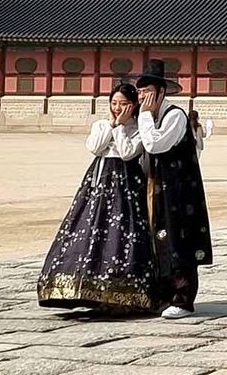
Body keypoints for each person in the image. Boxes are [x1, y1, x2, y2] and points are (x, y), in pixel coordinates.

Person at [37, 83, 158, 313]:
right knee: (89, 228)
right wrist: (112, 125)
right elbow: (94, 147)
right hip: (98, 183)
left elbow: (127, 152)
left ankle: (123, 293)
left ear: (133, 105)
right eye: (114, 103)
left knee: (123, 233)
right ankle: (85, 288)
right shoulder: (101, 124)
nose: (118, 108)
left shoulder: (139, 129)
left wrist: (121, 128)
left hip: (126, 186)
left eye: (123, 104)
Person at [135, 59, 212, 320]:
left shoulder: (174, 116)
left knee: (179, 240)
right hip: (156, 187)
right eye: (140, 92)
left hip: (178, 190)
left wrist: (144, 116)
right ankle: (163, 294)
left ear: (161, 92)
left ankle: (182, 298)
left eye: (147, 92)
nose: (142, 97)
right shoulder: (148, 117)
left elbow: (155, 144)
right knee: (158, 240)